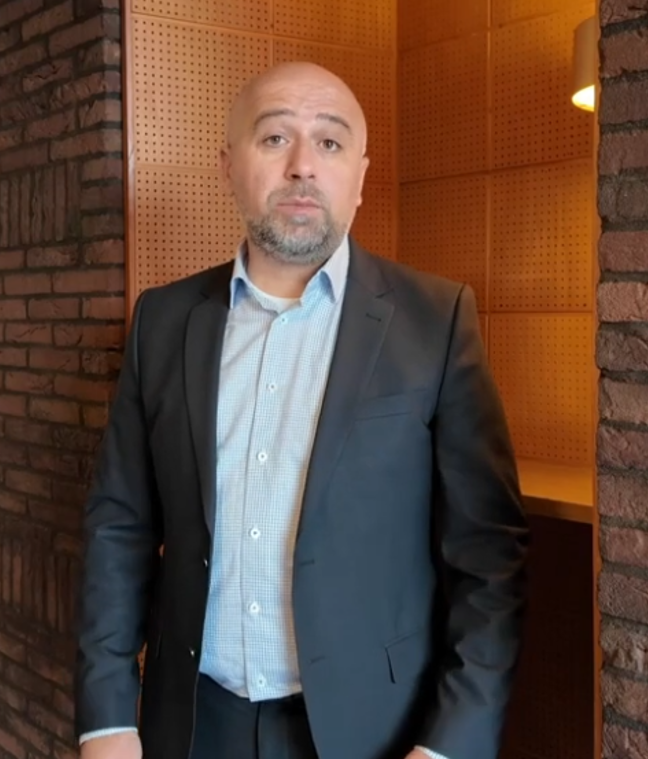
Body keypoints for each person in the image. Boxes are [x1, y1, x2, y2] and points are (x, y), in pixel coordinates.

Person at [73, 61, 530, 759]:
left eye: (330, 143)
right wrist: (107, 718)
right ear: (229, 166)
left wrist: (449, 747)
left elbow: (489, 559)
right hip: (192, 722)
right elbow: (120, 524)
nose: (302, 166)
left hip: (374, 730)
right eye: (275, 138)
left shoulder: (434, 322)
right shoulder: (163, 321)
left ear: (360, 177)